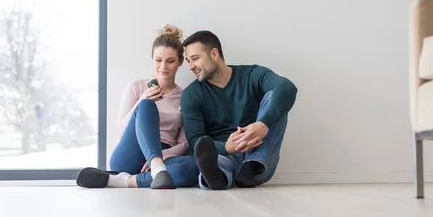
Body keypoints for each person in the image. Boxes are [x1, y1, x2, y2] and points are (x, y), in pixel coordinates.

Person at [76, 25, 199, 189]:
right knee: (147, 105)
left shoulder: (185, 97)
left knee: (193, 167)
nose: (163, 67)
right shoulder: (136, 87)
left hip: (165, 156)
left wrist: (159, 158)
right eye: (158, 60)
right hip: (131, 152)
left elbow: (184, 144)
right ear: (152, 59)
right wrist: (141, 101)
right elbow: (121, 131)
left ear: (180, 62)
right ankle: (156, 169)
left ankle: (124, 181)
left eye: (170, 61)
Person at [181, 30, 297, 190]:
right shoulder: (191, 94)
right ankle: (216, 178)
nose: (190, 67)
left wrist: (263, 124)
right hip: (225, 154)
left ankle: (249, 168)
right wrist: (227, 148)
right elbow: (195, 142)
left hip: (260, 154)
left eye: (195, 58)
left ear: (214, 54)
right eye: (188, 61)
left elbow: (288, 88)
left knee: (275, 97)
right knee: (215, 161)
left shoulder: (251, 74)